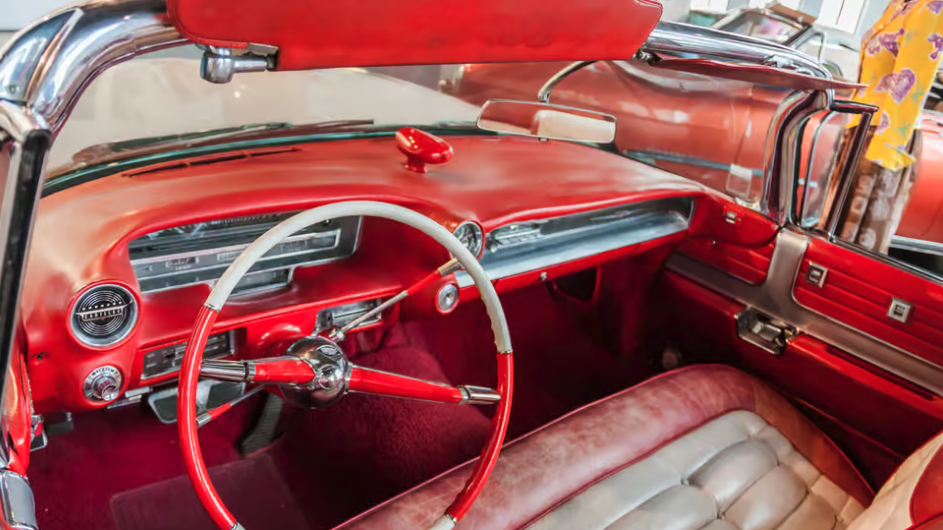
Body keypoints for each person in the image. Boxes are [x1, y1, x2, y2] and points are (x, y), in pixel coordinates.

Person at [841, 0, 943, 252]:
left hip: (884, 136)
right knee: (835, 227)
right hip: (860, 128)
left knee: (856, 241)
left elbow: (910, 86)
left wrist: (883, 153)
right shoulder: (898, 4)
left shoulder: (932, 8)